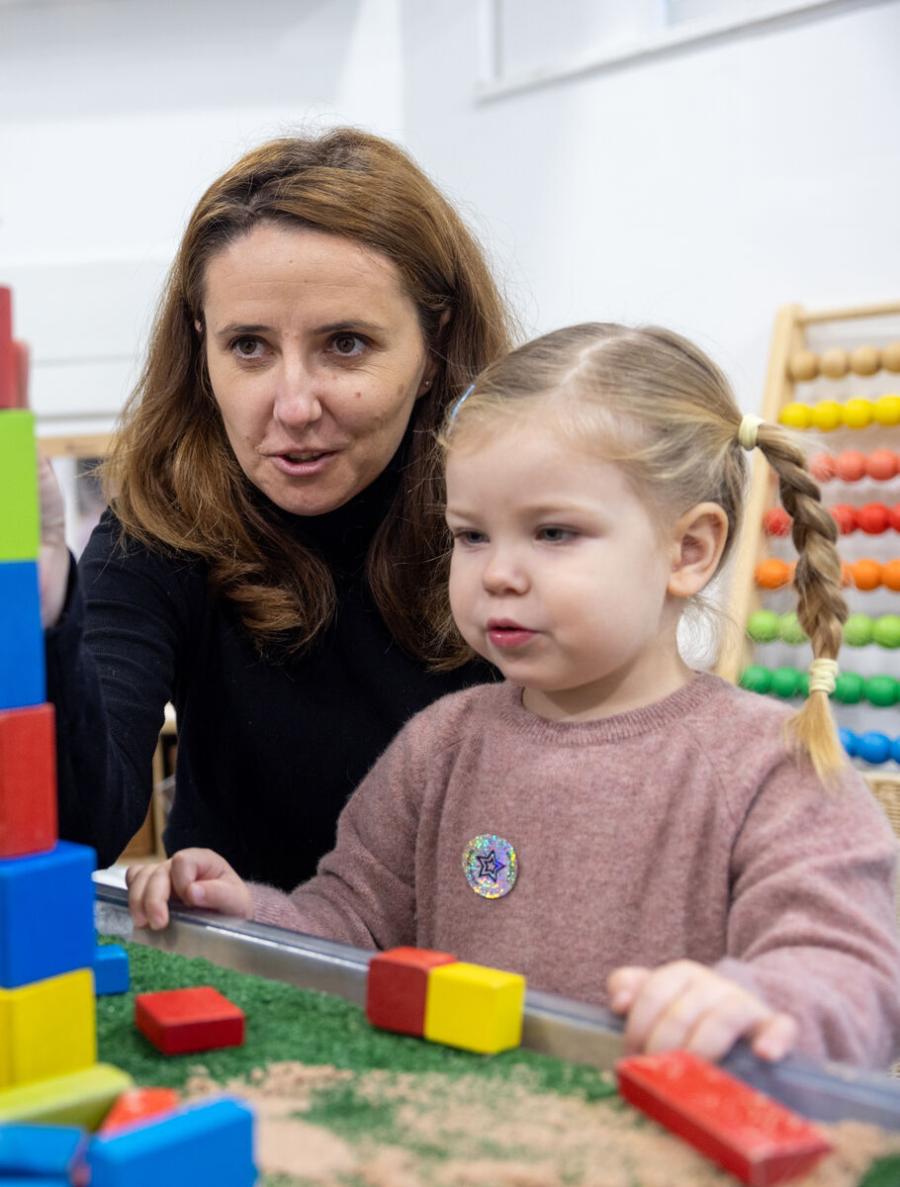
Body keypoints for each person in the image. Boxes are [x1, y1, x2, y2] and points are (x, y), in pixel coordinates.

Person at [126, 323, 900, 1068]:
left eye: (554, 532)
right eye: (472, 534)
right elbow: (352, 925)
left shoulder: (775, 766)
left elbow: (856, 976)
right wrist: (246, 914)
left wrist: (756, 1002)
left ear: (688, 550)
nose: (498, 572)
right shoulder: (441, 744)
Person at [42, 128, 513, 888]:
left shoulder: (513, 519)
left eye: (347, 344)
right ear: (202, 345)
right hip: (260, 972)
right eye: (250, 347)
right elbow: (83, 829)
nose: (293, 405)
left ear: (436, 345)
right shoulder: (162, 527)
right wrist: (43, 612)